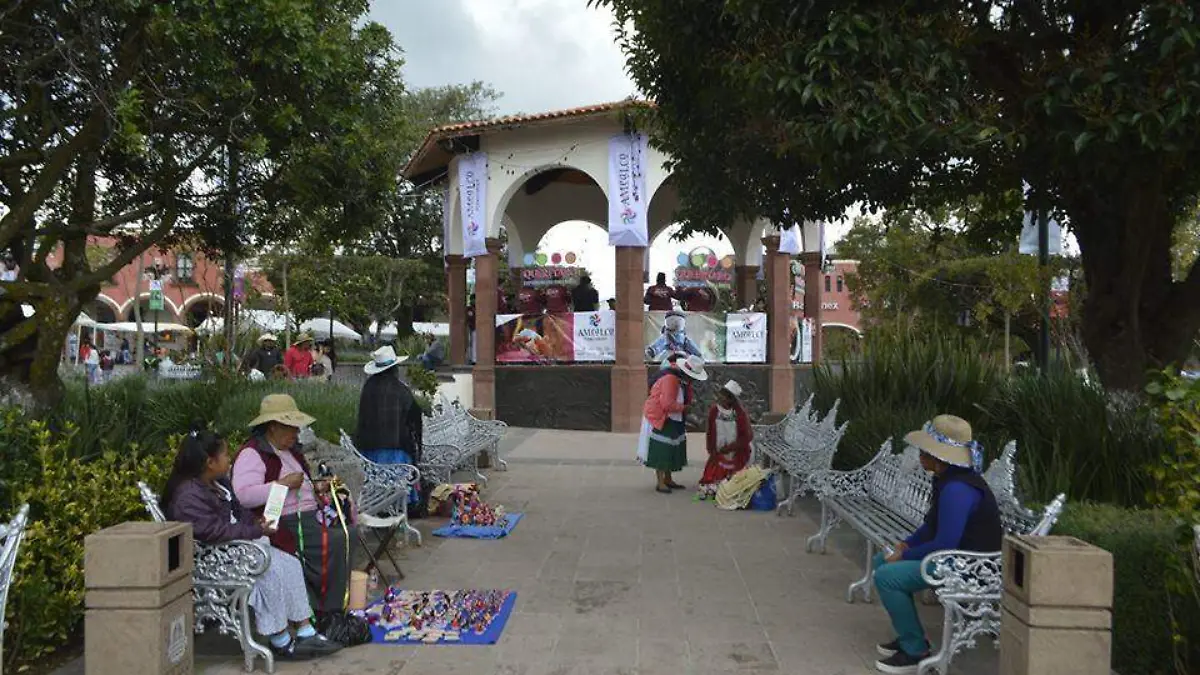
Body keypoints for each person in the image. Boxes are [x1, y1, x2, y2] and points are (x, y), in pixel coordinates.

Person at [163, 426, 342, 661]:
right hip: (213, 557)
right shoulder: (188, 495)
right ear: (209, 462)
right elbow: (214, 531)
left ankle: (305, 630)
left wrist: (257, 522)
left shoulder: (218, 483)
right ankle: (280, 640)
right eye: (225, 456)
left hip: (234, 548)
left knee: (288, 563)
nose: (229, 459)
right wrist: (255, 530)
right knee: (269, 572)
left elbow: (239, 512)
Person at [871, 415, 1002, 674]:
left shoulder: (958, 489)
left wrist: (905, 556)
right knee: (880, 562)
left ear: (939, 455)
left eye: (925, 450)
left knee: (888, 577)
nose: (920, 454)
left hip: (970, 566)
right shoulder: (946, 479)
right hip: (954, 556)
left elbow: (945, 542)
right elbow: (931, 527)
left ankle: (915, 651)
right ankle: (910, 634)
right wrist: (905, 547)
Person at [233, 394, 353, 613]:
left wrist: (315, 487)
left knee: (347, 533)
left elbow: (300, 483)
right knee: (338, 540)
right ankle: (325, 608)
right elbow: (244, 495)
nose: (296, 433)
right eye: (290, 427)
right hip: (283, 522)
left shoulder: (288, 451)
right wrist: (282, 484)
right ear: (272, 427)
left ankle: (327, 603)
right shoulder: (253, 453)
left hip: (308, 515)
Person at [356, 346, 423, 504]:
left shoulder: (368, 388)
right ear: (394, 368)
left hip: (369, 453)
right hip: (396, 454)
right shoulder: (401, 390)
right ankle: (400, 508)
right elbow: (415, 419)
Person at [638, 354, 707, 493]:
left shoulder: (679, 379)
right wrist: (685, 408)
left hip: (673, 416)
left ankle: (668, 479)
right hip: (663, 416)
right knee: (662, 448)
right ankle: (660, 482)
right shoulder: (671, 379)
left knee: (672, 447)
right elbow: (667, 404)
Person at [699, 380, 754, 486]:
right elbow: (710, 433)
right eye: (721, 395)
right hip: (719, 452)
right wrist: (712, 451)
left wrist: (731, 448)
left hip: (736, 452)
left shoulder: (739, 413)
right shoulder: (714, 411)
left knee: (735, 479)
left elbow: (747, 436)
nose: (720, 398)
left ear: (730, 399)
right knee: (713, 477)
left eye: (724, 396)